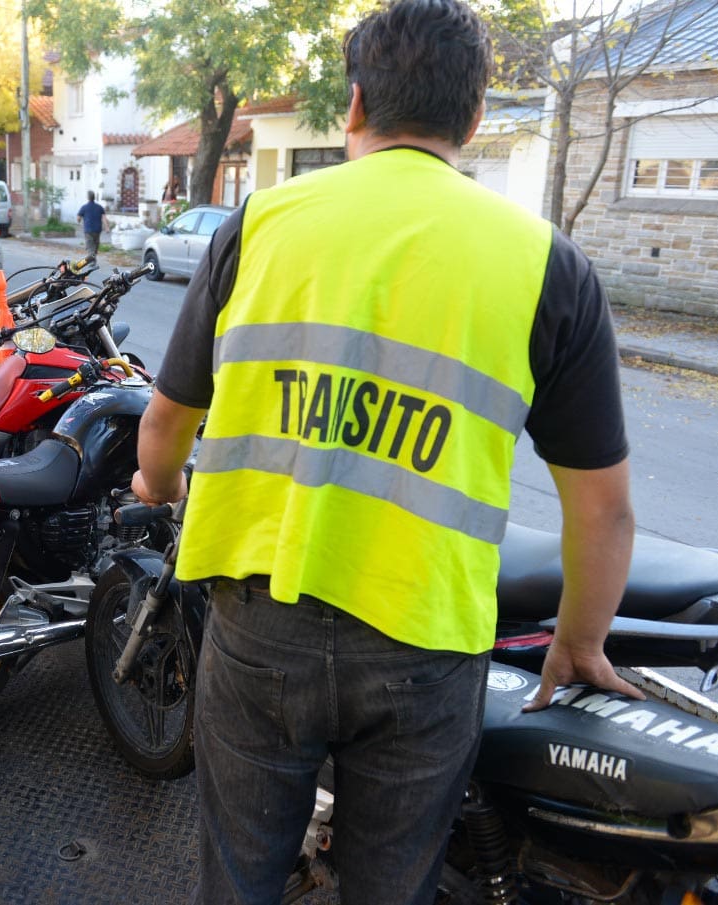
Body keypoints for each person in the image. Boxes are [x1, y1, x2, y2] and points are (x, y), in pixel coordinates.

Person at [129, 1, 641, 902]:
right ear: (475, 119)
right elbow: (603, 507)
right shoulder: (547, 265)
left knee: (238, 877)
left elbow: (167, 422)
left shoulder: (258, 224)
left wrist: (158, 487)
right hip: (425, 642)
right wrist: (579, 640)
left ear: (355, 104)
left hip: (260, 625)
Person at [76, 191, 107, 255]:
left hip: (88, 230)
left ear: (88, 197)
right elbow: (104, 218)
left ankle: (92, 263)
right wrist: (107, 227)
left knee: (90, 246)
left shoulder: (84, 207)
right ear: (94, 197)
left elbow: (78, 218)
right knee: (95, 245)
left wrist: (79, 221)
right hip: (97, 230)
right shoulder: (99, 207)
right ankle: (93, 260)